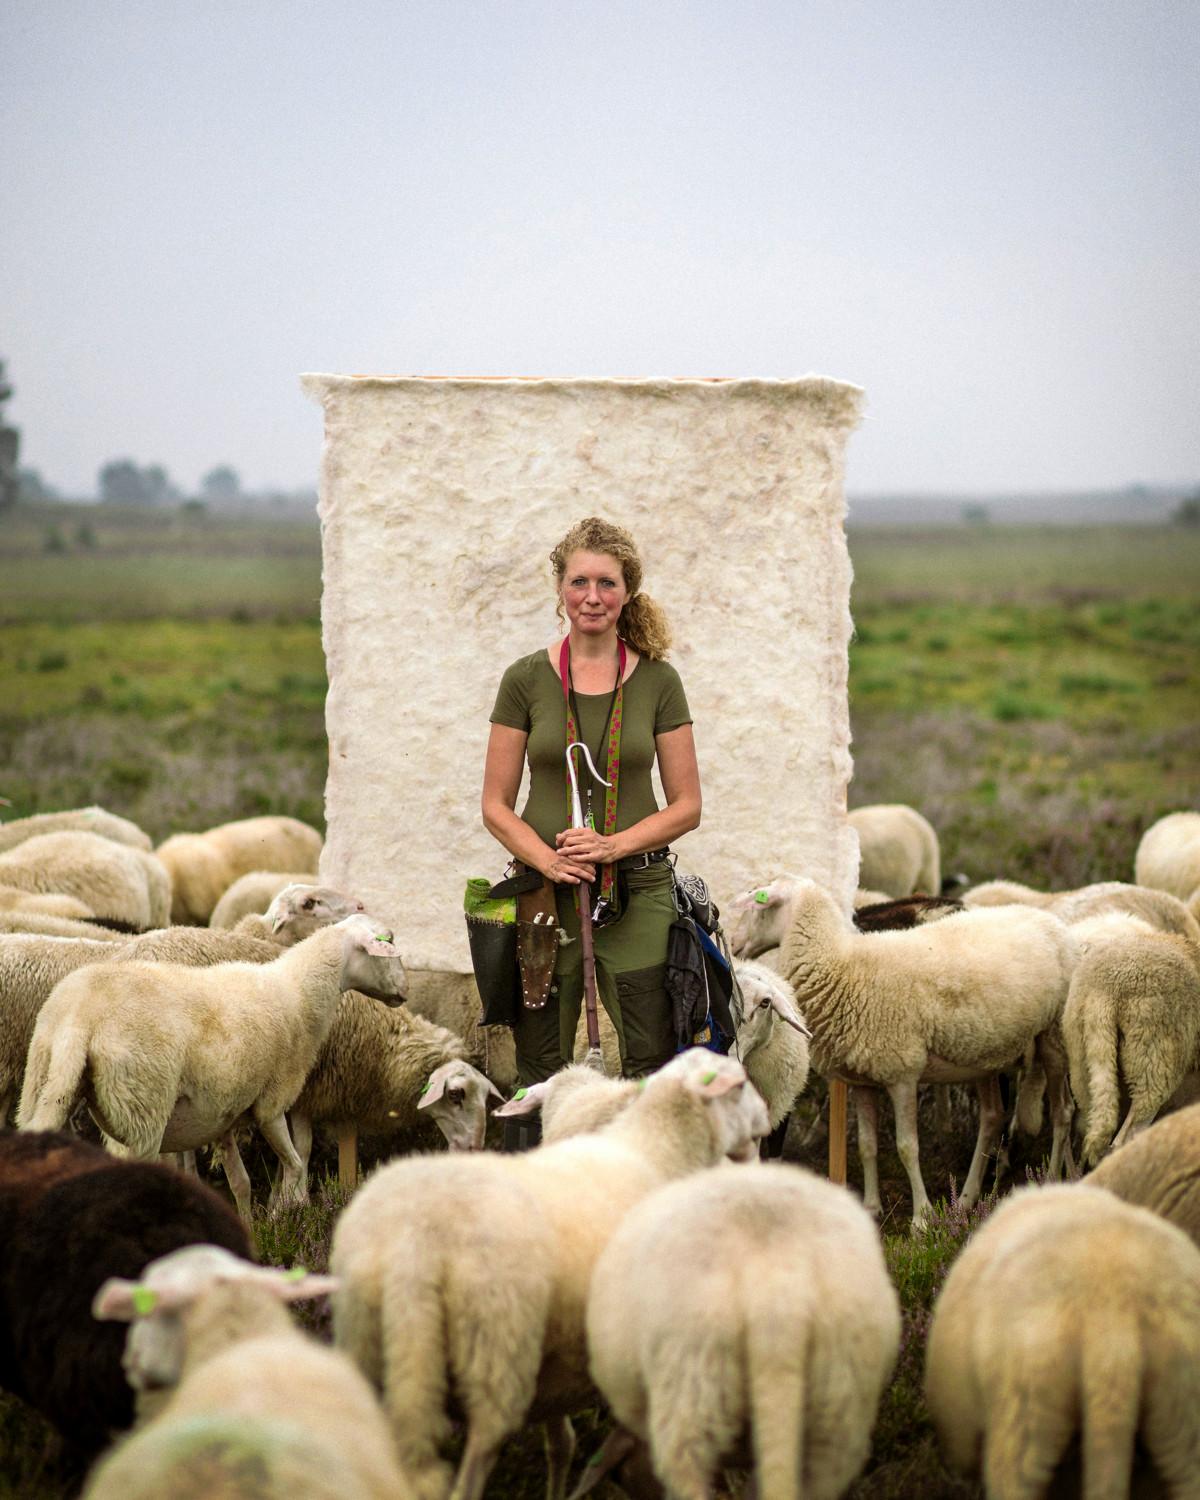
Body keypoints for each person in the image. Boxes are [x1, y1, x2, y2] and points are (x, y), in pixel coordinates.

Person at [482, 516, 702, 1089]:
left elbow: (687, 806)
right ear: (561, 588)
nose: (593, 597)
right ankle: (540, 1152)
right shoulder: (525, 679)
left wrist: (612, 847)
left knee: (652, 1060)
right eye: (579, 581)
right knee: (540, 1066)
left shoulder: (659, 681)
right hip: (542, 894)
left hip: (640, 891)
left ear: (628, 591)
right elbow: (495, 805)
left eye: (607, 583)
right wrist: (549, 861)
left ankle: (646, 1150)